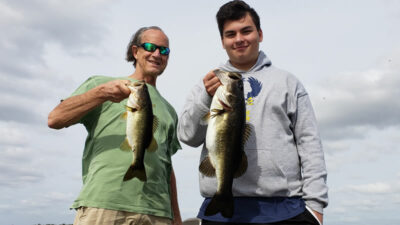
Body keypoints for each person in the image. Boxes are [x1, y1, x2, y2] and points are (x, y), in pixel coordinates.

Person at [178, 1, 328, 225]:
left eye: (246, 31)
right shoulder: (207, 84)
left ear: (260, 34)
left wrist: (315, 205)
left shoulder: (288, 82)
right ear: (222, 41)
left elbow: (310, 143)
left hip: (285, 209)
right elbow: (188, 136)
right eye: (230, 34)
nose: (239, 39)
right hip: (220, 209)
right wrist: (205, 99)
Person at [48, 26, 182, 225]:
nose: (157, 54)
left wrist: (177, 218)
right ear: (135, 51)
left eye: (164, 50)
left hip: (158, 213)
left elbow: (166, 166)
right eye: (150, 47)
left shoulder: (170, 111)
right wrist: (101, 92)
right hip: (104, 206)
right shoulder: (103, 85)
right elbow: (55, 119)